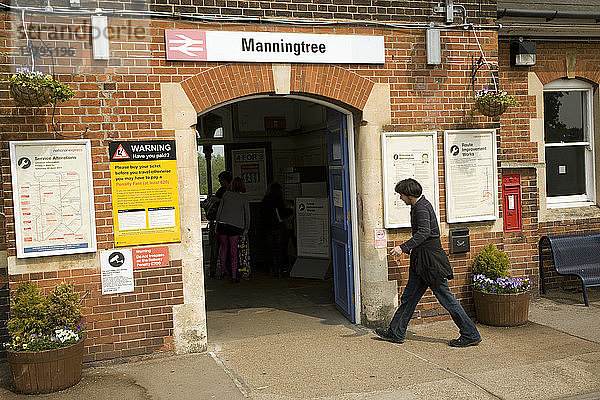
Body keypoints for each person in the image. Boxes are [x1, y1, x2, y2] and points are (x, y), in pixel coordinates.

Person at [376, 178, 482, 348]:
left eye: (401, 195)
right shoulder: (419, 206)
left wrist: (403, 247)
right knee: (409, 298)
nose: (401, 198)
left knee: (446, 299)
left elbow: (425, 232)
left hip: (430, 262)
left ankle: (470, 334)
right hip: (421, 261)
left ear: (409, 194)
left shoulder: (421, 208)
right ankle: (396, 332)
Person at [215, 177, 250, 283]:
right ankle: (234, 276)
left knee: (224, 248)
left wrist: (217, 224)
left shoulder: (226, 195)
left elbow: (219, 210)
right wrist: (246, 228)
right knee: (234, 251)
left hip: (222, 225)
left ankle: (222, 271)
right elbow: (247, 215)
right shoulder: (243, 198)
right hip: (235, 226)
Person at [201, 170, 232, 278]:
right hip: (228, 224)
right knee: (227, 248)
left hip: (217, 224)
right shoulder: (231, 192)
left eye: (220, 180)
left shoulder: (221, 192)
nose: (220, 182)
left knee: (215, 249)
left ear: (224, 180)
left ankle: (214, 270)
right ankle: (227, 269)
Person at [261, 182, 293, 277]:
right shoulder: (278, 199)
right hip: (278, 227)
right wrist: (291, 210)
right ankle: (279, 269)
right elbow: (282, 214)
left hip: (268, 228)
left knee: (270, 250)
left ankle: (271, 269)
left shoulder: (265, 199)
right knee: (279, 249)